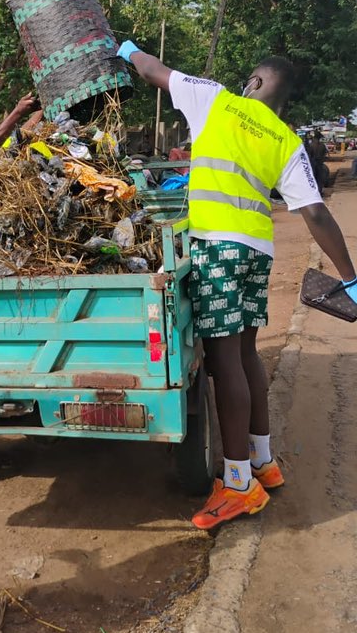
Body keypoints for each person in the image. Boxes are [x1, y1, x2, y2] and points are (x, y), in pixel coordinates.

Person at [117, 42, 357, 530]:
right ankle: (263, 462)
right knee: (246, 355)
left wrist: (125, 48)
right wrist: (351, 277)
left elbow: (152, 69)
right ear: (283, 100)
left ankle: (238, 485)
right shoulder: (286, 139)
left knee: (224, 364)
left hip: (218, 252)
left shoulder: (216, 100)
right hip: (256, 252)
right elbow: (314, 213)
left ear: (252, 82)